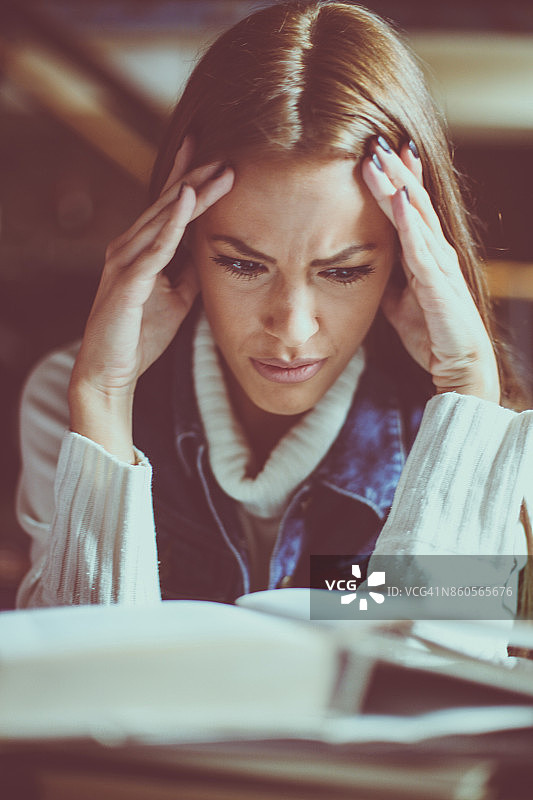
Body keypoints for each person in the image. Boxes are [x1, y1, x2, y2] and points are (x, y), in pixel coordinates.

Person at [15, 0, 532, 614]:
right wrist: (101, 399)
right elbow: (82, 684)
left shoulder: (472, 431)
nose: (291, 327)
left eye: (343, 271)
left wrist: (467, 385)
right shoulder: (70, 399)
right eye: (242, 263)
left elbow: (434, 674)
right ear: (181, 246)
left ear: (404, 263)